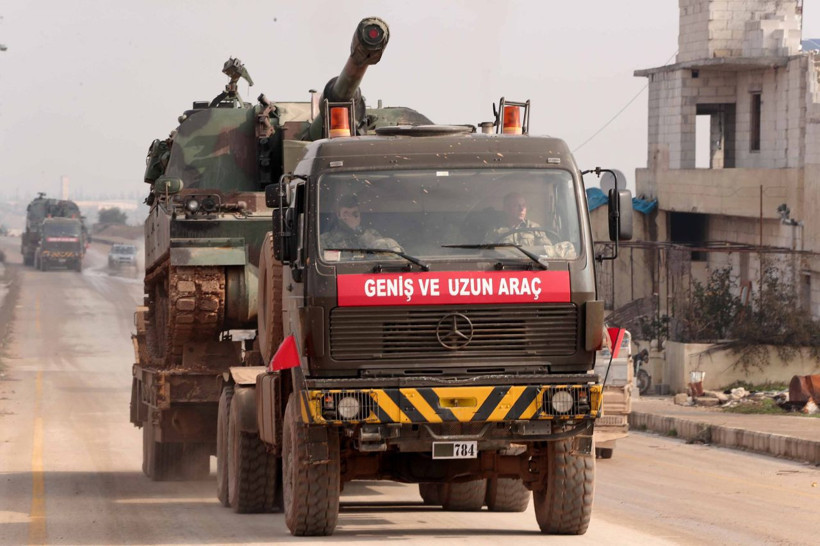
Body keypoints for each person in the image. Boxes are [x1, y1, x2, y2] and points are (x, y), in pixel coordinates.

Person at [321, 194, 401, 251]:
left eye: (354, 213)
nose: (350, 217)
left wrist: (358, 231)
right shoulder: (326, 240)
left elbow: (384, 252)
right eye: (346, 213)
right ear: (339, 215)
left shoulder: (371, 234)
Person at [484, 191, 552, 247]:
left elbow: (547, 250)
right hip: (504, 263)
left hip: (530, 263)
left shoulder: (534, 228)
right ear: (506, 209)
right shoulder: (496, 229)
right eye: (516, 205)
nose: (522, 209)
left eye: (523, 205)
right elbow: (486, 251)